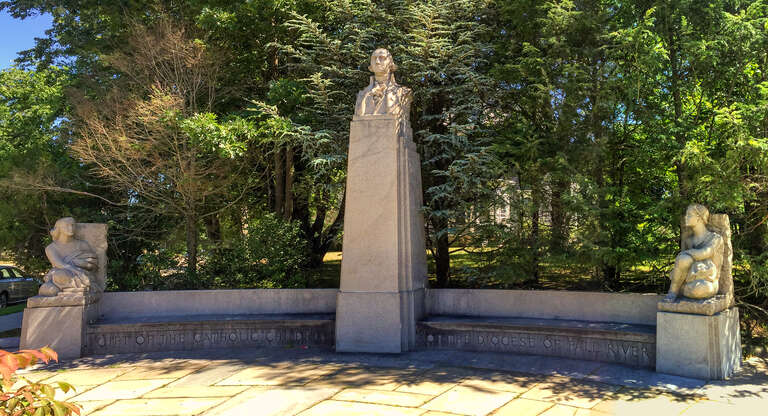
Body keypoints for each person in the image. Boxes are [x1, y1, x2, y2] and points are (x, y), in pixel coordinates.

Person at [664, 204, 723, 301]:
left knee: (699, 289)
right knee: (684, 259)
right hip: (690, 279)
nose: (686, 217)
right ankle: (673, 291)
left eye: (689, 215)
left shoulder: (715, 238)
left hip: (708, 280)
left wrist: (684, 254)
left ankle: (683, 290)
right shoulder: (688, 241)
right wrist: (683, 256)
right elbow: (682, 266)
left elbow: (705, 253)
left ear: (699, 218)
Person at [38, 217, 98, 297]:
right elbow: (60, 264)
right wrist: (77, 269)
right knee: (59, 276)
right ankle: (70, 289)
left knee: (59, 277)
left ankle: (69, 289)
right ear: (59, 229)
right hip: (65, 274)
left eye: (73, 225)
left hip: (84, 274)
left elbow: (93, 265)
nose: (71, 228)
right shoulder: (51, 248)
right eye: (66, 226)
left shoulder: (82, 245)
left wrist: (81, 264)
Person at [355, 48, 412, 119]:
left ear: (390, 63)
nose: (377, 62)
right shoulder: (362, 94)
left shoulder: (404, 92)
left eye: (382, 58)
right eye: (374, 58)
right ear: (371, 65)